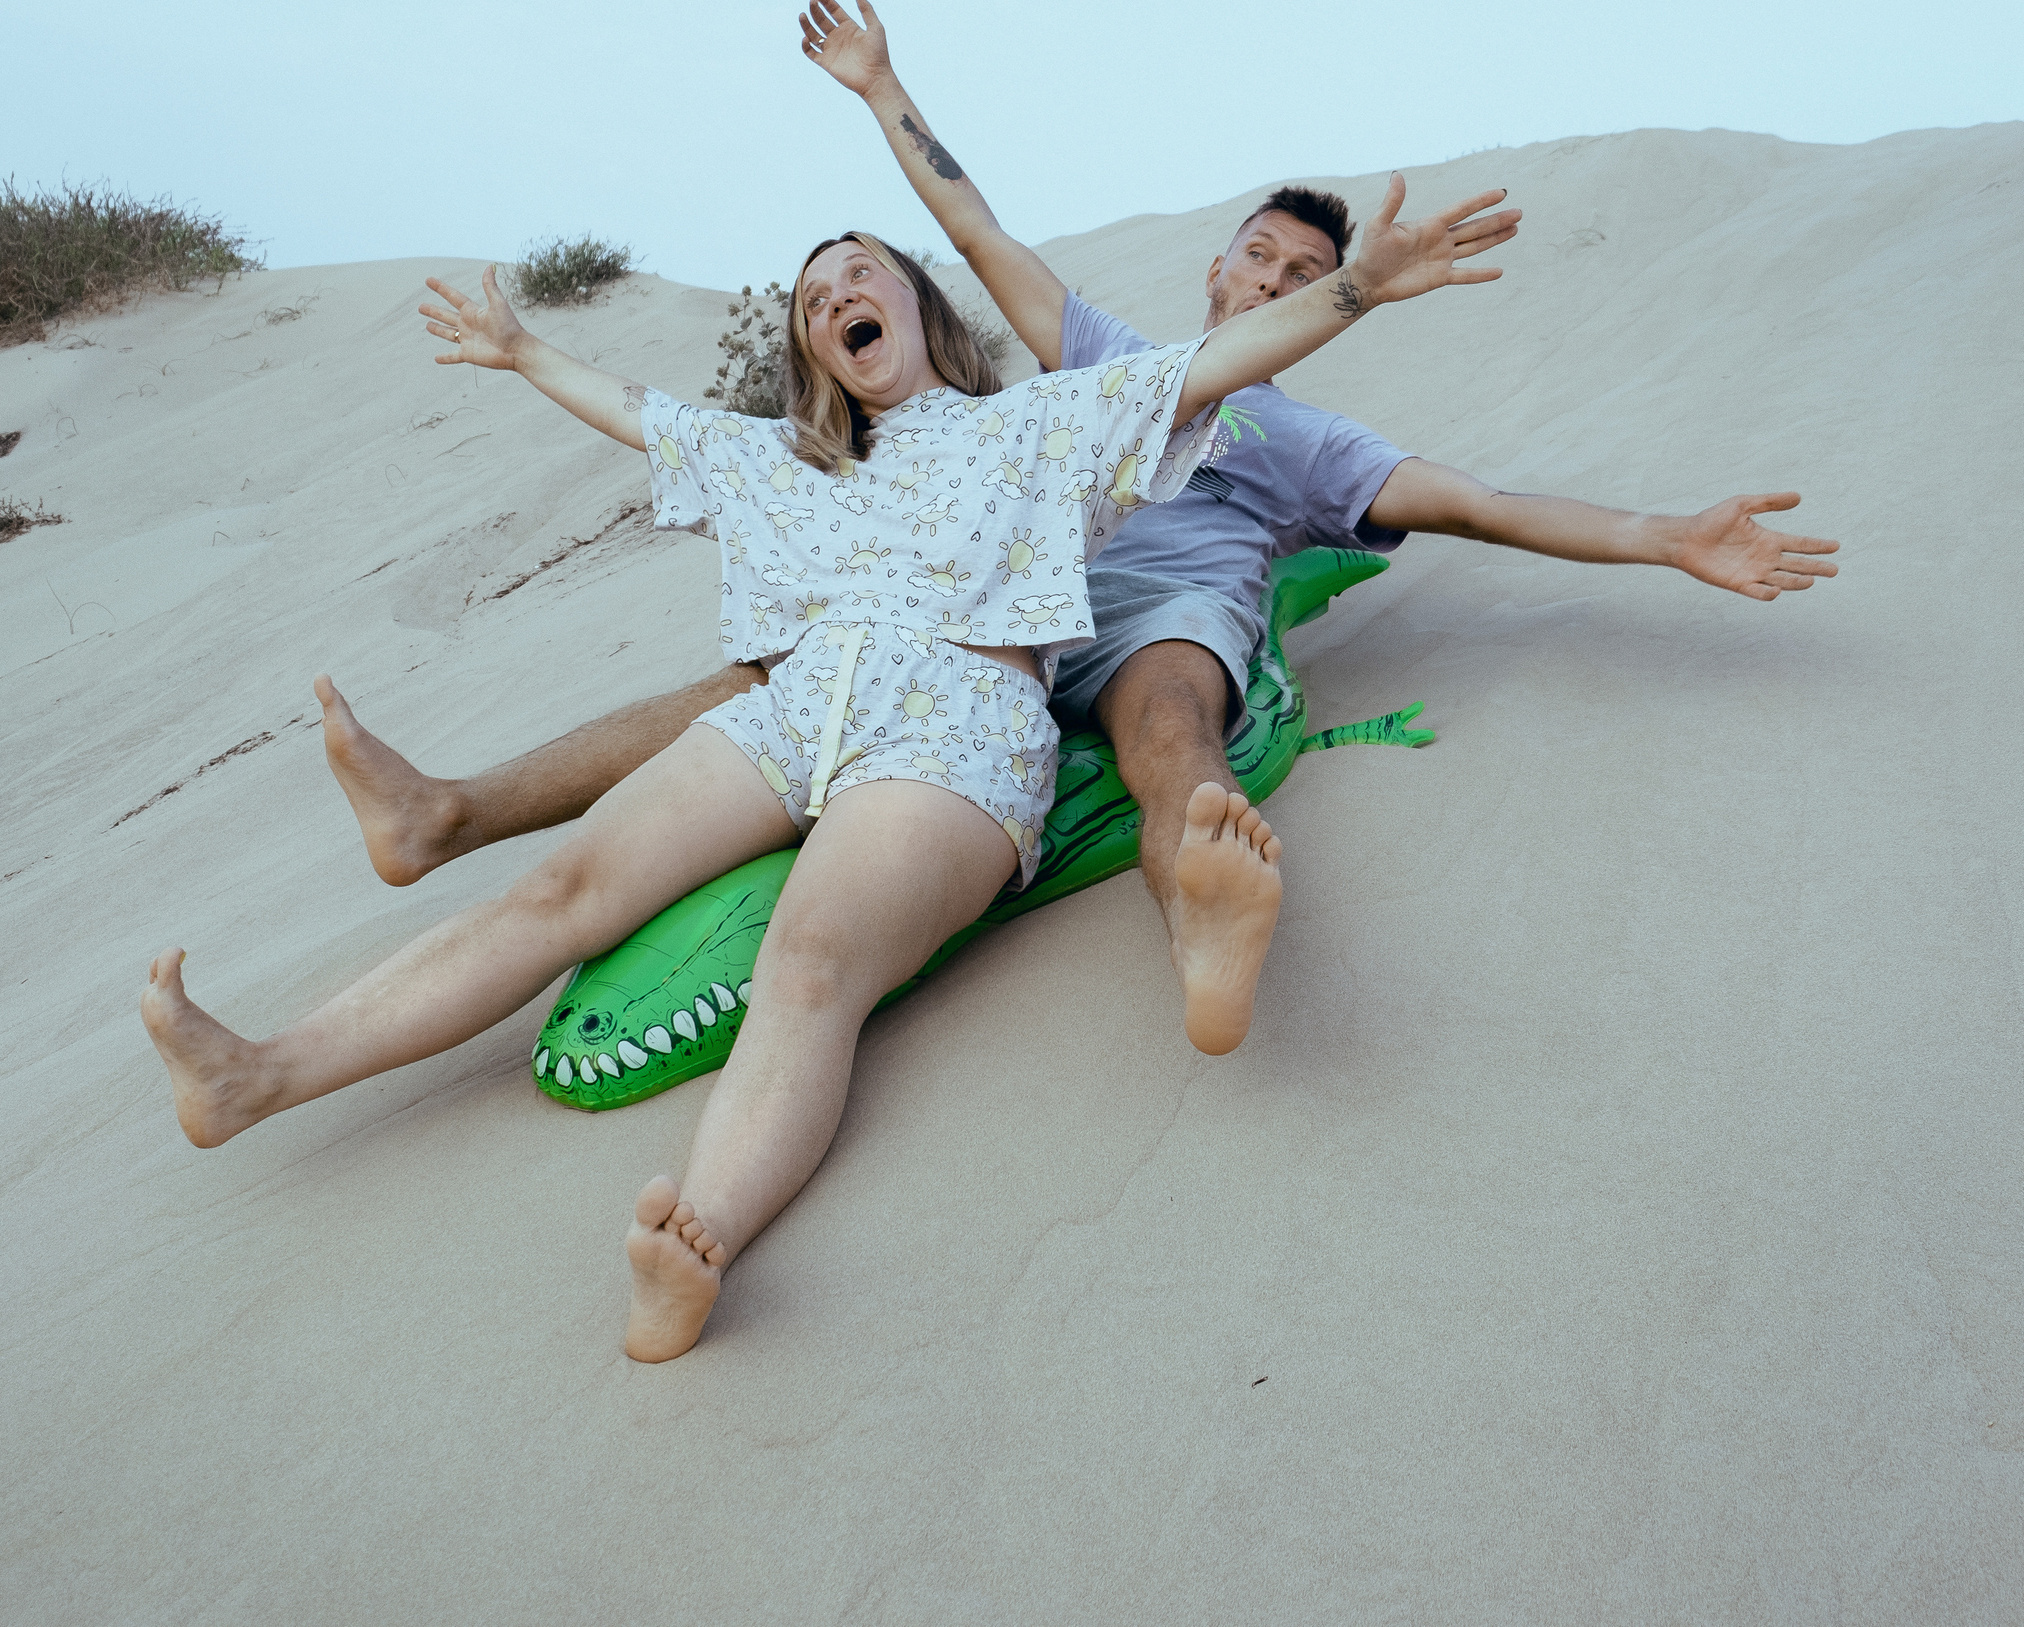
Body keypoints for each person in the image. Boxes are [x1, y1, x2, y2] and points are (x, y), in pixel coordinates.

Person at [143, 176, 1518, 1361]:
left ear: (918, 307)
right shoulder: (790, 466)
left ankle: (702, 1241)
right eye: (814, 295)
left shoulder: (1048, 423)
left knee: (809, 966)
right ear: (817, 349)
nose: (836, 294)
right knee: (557, 887)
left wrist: (1360, 294)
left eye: (861, 274)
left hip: (957, 738)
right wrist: (520, 350)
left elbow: (1213, 368)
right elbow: (645, 416)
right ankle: (258, 1074)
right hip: (794, 718)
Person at [315, 0, 1838, 1056]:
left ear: (1320, 297)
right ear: (1221, 267)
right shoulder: (1099, 358)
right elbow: (970, 231)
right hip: (976, 623)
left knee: (1169, 723)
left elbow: (1483, 507)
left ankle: (1206, 933)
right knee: (755, 683)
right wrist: (880, 91)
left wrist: (1665, 536)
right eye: (1251, 250)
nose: (1262, 274)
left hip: (1154, 625)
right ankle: (447, 813)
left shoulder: (1308, 436)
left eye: (1295, 268)